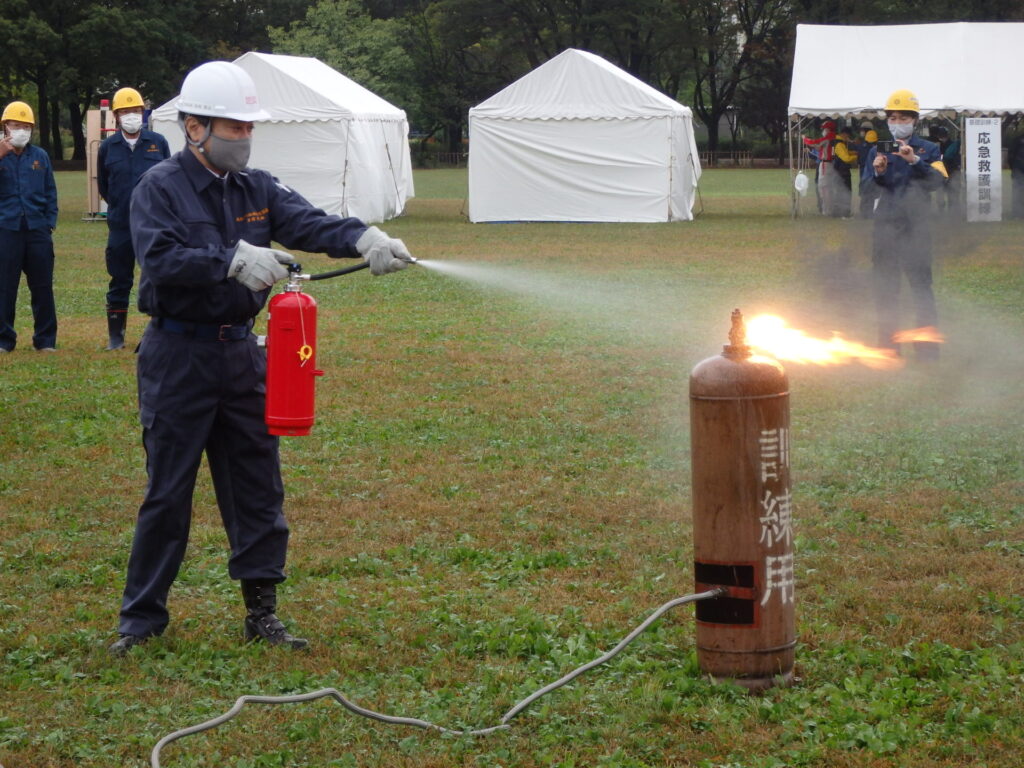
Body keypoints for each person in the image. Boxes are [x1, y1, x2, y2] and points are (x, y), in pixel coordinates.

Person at [109, 61, 415, 656]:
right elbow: (161, 259)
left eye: (250, 128)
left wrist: (364, 238)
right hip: (178, 357)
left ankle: (262, 613)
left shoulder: (258, 187)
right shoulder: (158, 187)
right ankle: (140, 623)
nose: (244, 138)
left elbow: (307, 222)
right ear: (194, 128)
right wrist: (228, 259)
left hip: (242, 358)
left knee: (256, 487)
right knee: (168, 493)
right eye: (234, 127)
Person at [859, 89, 946, 360]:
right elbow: (865, 189)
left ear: (914, 120)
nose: (897, 123)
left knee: (921, 289)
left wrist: (915, 161)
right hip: (885, 227)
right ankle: (888, 347)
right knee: (886, 289)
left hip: (917, 228)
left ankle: (927, 351)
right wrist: (878, 172)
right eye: (892, 118)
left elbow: (938, 182)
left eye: (903, 117)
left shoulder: (930, 149)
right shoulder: (877, 150)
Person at [97, 87, 170, 350]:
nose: (131, 115)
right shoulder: (107, 147)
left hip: (154, 225)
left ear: (144, 113)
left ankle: (158, 334)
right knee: (119, 278)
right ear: (116, 116)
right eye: (126, 111)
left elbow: (168, 180)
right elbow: (104, 186)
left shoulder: (158, 143)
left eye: (136, 110)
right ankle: (116, 337)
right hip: (121, 224)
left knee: (159, 277)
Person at [0, 101, 58, 354]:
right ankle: (4, 340)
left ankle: (45, 340)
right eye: (15, 125)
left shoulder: (40, 156)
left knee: (42, 286)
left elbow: (50, 191)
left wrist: (49, 224)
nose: (21, 130)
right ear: (5, 127)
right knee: (4, 286)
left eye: (26, 126)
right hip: (6, 229)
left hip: (37, 230)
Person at [803, 120, 836, 215]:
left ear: (828, 129)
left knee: (823, 187)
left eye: (824, 129)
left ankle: (827, 209)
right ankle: (828, 208)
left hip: (825, 164)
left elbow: (815, 143)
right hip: (830, 164)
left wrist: (805, 140)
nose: (823, 131)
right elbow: (819, 147)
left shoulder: (827, 138)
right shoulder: (833, 137)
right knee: (828, 187)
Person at [830, 127, 858, 217]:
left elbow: (844, 153)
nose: (848, 138)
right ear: (844, 134)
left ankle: (837, 213)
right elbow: (846, 158)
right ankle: (845, 213)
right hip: (843, 172)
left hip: (838, 172)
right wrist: (856, 157)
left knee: (839, 192)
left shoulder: (838, 143)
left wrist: (853, 152)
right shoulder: (840, 144)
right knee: (846, 192)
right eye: (848, 136)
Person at [855, 121, 879, 218]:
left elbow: (859, 159)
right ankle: (872, 212)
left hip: (864, 171)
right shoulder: (876, 147)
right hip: (874, 171)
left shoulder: (862, 146)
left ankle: (864, 212)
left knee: (865, 192)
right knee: (874, 192)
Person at [1008, 129, 1024, 219]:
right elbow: (1011, 156)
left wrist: (1013, 167)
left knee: (1018, 192)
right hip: (1018, 169)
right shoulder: (1018, 140)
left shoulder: (1017, 139)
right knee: (1018, 192)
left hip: (1017, 169)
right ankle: (1018, 213)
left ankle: (1017, 214)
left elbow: (1010, 156)